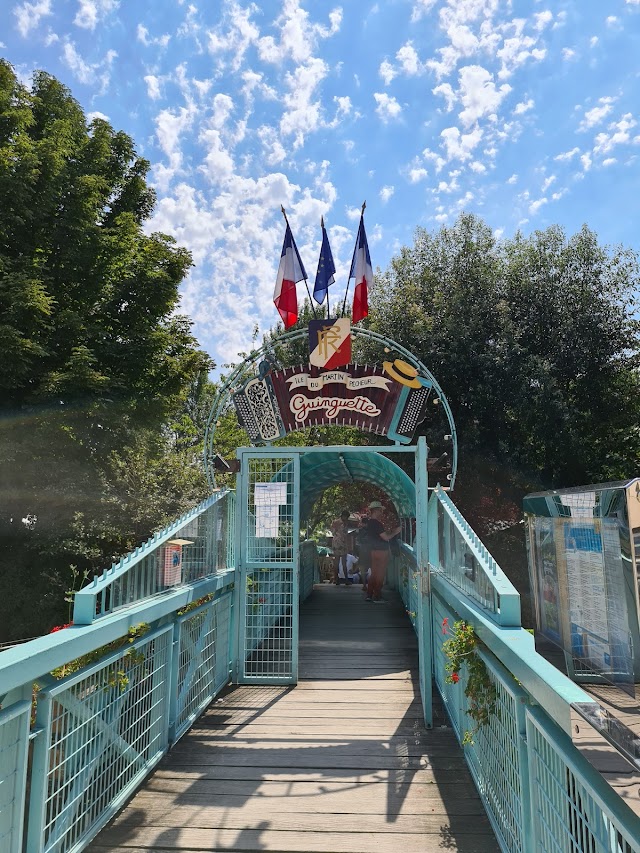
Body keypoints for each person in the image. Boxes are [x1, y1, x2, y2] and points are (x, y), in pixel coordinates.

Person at [363, 501, 402, 603]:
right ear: (376, 510)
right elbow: (386, 537)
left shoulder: (369, 523)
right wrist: (396, 532)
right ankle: (377, 595)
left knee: (374, 573)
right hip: (382, 551)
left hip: (373, 550)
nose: (381, 512)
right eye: (380, 510)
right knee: (380, 574)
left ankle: (369, 594)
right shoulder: (377, 523)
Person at [331, 510, 351, 585]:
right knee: (340, 562)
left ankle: (339, 580)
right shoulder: (338, 523)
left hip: (340, 543)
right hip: (339, 543)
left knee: (339, 562)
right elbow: (334, 532)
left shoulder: (341, 523)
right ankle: (339, 579)